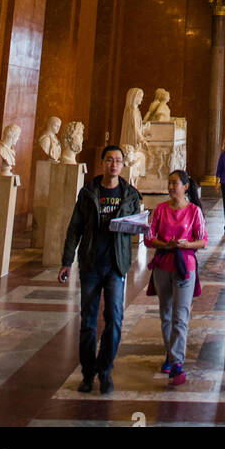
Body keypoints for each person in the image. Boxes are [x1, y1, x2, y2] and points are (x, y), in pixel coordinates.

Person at [59, 144, 142, 395]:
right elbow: (75, 228)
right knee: (88, 321)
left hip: (116, 265)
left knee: (115, 319)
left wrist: (136, 226)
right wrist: (66, 260)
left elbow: (136, 227)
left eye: (118, 160)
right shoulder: (88, 193)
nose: (113, 164)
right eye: (109, 160)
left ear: (123, 164)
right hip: (91, 264)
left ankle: (105, 370)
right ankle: (87, 373)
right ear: (103, 162)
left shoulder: (130, 195)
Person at [145, 169, 207, 387]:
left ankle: (177, 363)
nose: (171, 187)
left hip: (184, 267)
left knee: (180, 315)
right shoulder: (161, 209)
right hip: (163, 265)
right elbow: (149, 237)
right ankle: (170, 354)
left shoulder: (193, 211)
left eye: (175, 183)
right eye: (169, 183)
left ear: (185, 186)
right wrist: (166, 245)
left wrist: (185, 245)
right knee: (166, 314)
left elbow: (203, 240)